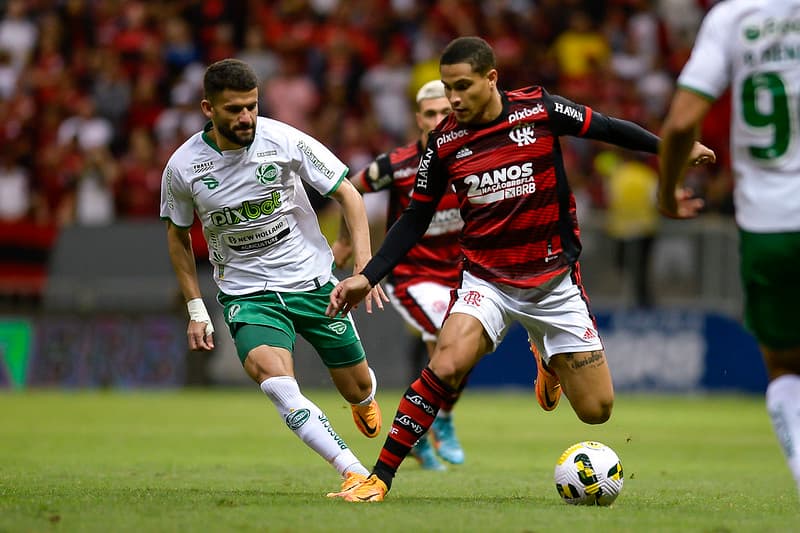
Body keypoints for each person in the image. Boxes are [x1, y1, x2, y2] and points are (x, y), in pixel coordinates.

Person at [324, 36, 715, 502]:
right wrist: (367, 276)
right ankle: (379, 478)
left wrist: (670, 149)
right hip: (486, 281)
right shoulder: (445, 143)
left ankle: (548, 357)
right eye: (448, 88)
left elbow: (608, 128)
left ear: (491, 78)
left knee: (597, 411)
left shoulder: (538, 109)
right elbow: (414, 218)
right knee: (445, 364)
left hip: (554, 283)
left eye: (463, 86)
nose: (453, 99)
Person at [159, 58, 386, 493]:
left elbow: (349, 195)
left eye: (252, 107)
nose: (245, 118)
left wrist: (364, 269)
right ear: (208, 109)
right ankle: (353, 470)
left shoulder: (283, 140)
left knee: (357, 386)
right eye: (234, 110)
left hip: (312, 281)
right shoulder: (183, 167)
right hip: (248, 293)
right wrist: (195, 307)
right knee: (276, 382)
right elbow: (178, 237)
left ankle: (363, 400)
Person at [658, 0, 800, 497]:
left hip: (772, 224)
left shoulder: (734, 18)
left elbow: (679, 123)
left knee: (785, 368)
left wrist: (667, 192)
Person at [333, 80, 465, 471]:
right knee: (447, 337)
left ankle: (421, 433)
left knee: (465, 349)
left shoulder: (471, 156)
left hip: (461, 275)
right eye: (431, 114)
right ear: (418, 119)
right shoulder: (399, 163)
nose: (439, 120)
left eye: (446, 113)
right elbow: (348, 188)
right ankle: (440, 421)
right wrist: (346, 241)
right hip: (412, 274)